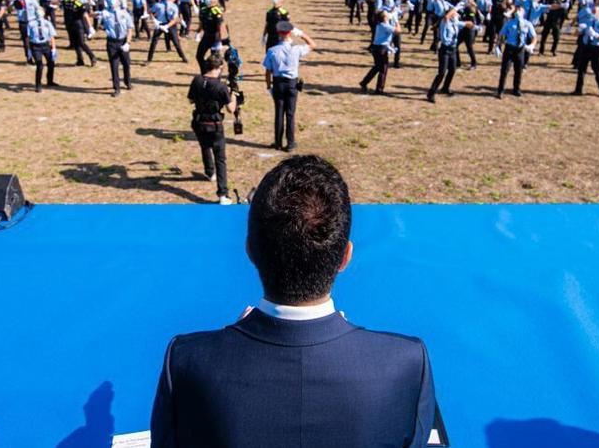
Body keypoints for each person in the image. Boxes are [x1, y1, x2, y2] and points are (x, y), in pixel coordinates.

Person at [150, 155, 438, 448]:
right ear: (345, 257)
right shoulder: (406, 363)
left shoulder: (187, 360)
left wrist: (225, 348)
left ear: (250, 250)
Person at [187, 51, 237, 205]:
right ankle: (223, 193)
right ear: (220, 67)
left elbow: (190, 100)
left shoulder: (197, 80)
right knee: (220, 158)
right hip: (214, 124)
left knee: (204, 146)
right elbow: (231, 109)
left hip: (199, 121)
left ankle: (209, 172)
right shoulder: (221, 87)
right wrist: (233, 95)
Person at [262, 21, 315, 152]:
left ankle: (278, 142)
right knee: (290, 114)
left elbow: (267, 72)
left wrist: (269, 87)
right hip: (292, 84)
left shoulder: (272, 50)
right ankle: (290, 143)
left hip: (278, 84)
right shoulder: (296, 49)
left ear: (278, 33)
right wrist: (301, 34)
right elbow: (313, 44)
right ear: (290, 33)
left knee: (279, 113)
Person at [427, 4, 468, 103]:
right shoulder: (444, 22)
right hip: (445, 50)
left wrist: (475, 26)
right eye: (455, 14)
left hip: (453, 50)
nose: (456, 15)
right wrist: (458, 6)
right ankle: (431, 93)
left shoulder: (455, 22)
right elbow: (446, 17)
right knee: (441, 72)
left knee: (452, 70)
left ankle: (445, 88)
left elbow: (465, 24)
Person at [496, 5, 536, 99]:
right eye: (517, 10)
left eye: (520, 10)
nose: (518, 12)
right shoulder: (509, 23)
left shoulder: (527, 24)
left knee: (518, 70)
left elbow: (534, 36)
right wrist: (497, 46)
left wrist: (532, 45)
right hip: (510, 48)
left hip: (520, 49)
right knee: (504, 70)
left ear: (524, 13)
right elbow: (501, 35)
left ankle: (516, 89)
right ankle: (500, 90)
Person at [573, 2, 599, 98]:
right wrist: (579, 31)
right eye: (592, 11)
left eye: (594, 12)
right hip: (586, 47)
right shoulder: (588, 22)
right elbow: (576, 34)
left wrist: (596, 35)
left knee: (597, 70)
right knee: (581, 69)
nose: (592, 13)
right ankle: (578, 89)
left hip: (597, 48)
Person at [100, 0, 134, 96]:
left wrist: (128, 42)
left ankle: (127, 82)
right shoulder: (106, 14)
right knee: (114, 65)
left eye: (115, 1)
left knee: (126, 64)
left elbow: (130, 29)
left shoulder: (125, 14)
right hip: (112, 42)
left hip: (123, 40)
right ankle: (116, 88)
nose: (112, 2)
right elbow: (92, 15)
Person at [360, 7, 397, 95]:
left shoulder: (379, 24)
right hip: (381, 49)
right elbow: (398, 30)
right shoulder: (385, 26)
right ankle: (379, 89)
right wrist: (397, 21)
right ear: (384, 18)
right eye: (386, 15)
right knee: (383, 69)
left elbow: (387, 18)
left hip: (376, 48)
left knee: (377, 67)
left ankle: (364, 82)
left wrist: (392, 12)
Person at [25, 2, 59, 93]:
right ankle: (38, 84)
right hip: (36, 46)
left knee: (51, 63)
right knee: (39, 65)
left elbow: (52, 36)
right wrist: (28, 50)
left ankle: (50, 81)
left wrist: (54, 48)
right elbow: (28, 37)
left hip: (45, 45)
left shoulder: (47, 23)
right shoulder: (31, 24)